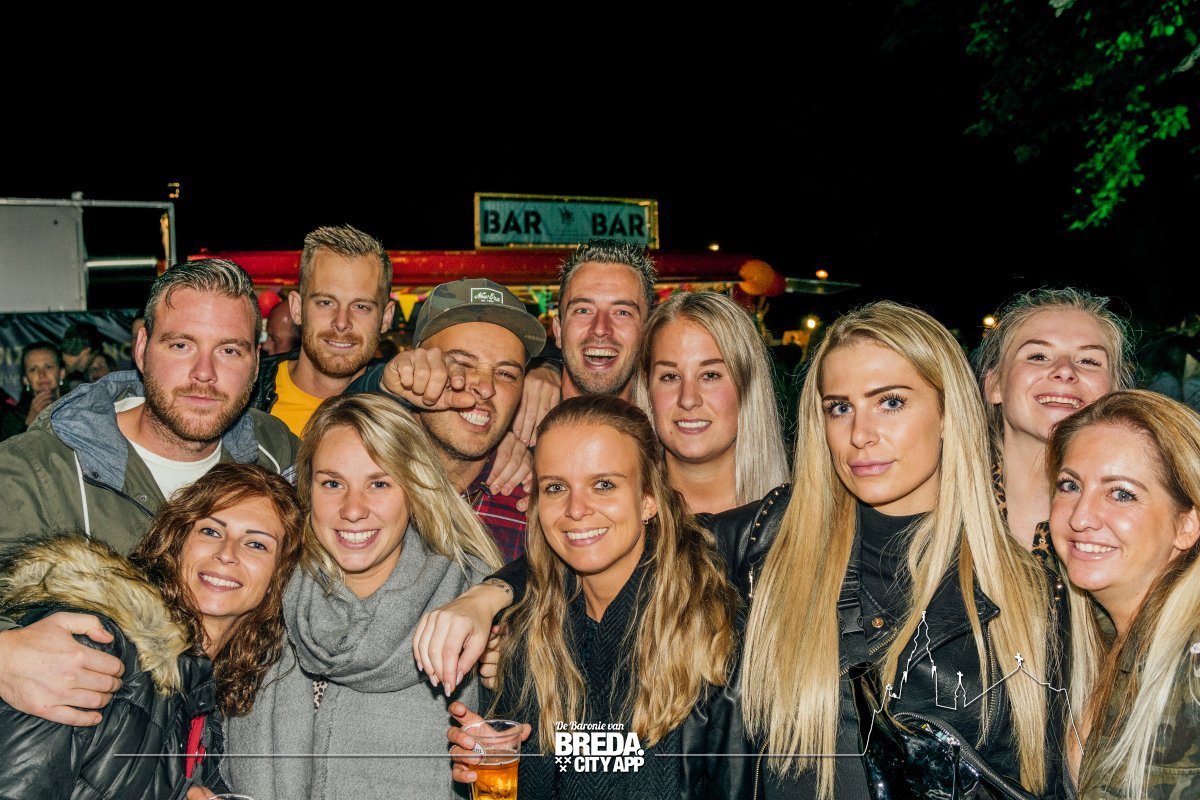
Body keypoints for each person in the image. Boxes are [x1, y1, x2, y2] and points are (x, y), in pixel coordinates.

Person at [0, 258, 298, 730]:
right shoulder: (38, 469)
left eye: (229, 350)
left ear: (256, 362)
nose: (204, 373)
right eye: (181, 345)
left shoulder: (275, 454)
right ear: (141, 348)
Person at [447, 395, 738, 798]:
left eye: (603, 485)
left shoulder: (718, 637)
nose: (576, 509)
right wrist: (493, 773)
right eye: (555, 488)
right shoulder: (524, 638)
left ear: (649, 499)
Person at [222, 393, 503, 800]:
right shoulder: (265, 585)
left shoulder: (472, 604)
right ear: (307, 490)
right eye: (332, 483)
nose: (353, 510)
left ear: (414, 489)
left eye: (379, 483)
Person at [0, 462, 304, 799]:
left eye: (257, 544)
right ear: (177, 542)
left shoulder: (210, 697)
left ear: (280, 576)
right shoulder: (95, 646)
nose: (226, 554)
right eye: (211, 531)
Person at [1048, 391, 1200, 798]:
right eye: (1069, 485)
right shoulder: (1083, 636)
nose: (1080, 517)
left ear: (1187, 525)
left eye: (1121, 494)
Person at [372, 278, 546, 562]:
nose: (486, 387)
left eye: (506, 373)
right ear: (417, 364)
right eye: (462, 364)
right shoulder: (362, 482)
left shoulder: (533, 509)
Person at [976, 287, 1134, 549]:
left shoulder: (1138, 524)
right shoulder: (938, 507)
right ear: (994, 385)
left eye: (1088, 361)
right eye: (1038, 356)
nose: (1065, 370)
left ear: (1114, 394)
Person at [632, 291, 788, 513]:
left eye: (710, 375)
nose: (688, 399)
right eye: (670, 377)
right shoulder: (616, 523)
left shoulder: (803, 519)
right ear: (647, 389)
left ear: (747, 386)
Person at [251, 225, 396, 436]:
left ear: (386, 318)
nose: (341, 322)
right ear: (297, 309)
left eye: (361, 306)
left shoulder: (404, 411)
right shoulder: (244, 394)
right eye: (326, 303)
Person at [0, 341, 64, 442]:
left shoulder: (77, 407)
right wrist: (30, 423)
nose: (42, 374)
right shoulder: (12, 419)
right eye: (33, 369)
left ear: (61, 373)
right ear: (25, 379)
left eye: (48, 367)